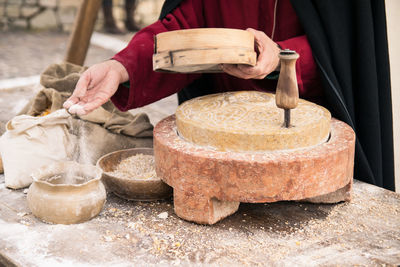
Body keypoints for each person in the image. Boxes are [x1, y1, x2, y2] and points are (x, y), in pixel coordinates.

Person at [64, 0, 395, 191]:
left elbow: (345, 48)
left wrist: (282, 58)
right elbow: (186, 29)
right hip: (224, 150)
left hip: (309, 148)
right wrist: (122, 67)